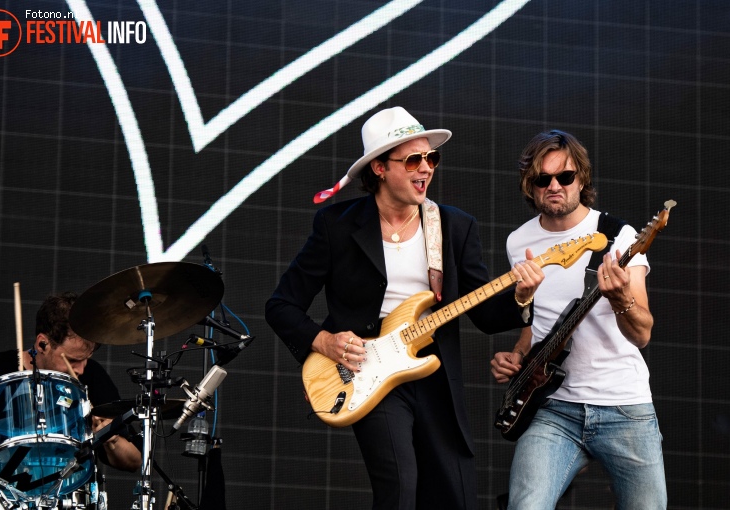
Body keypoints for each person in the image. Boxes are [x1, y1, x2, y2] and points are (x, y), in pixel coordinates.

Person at [266, 106, 544, 509]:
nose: (426, 168)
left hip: (433, 370)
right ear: (379, 167)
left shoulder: (453, 226)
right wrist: (323, 341)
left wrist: (521, 297)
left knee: (455, 494)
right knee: (399, 486)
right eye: (413, 159)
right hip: (369, 370)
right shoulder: (337, 225)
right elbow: (281, 305)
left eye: (431, 158)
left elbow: (483, 314)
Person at [490, 130, 667, 509]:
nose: (554, 186)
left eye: (565, 177)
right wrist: (519, 356)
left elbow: (643, 334)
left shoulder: (619, 236)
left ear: (581, 179)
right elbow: (535, 319)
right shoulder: (518, 242)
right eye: (543, 179)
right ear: (530, 185)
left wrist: (620, 299)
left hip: (625, 407)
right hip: (553, 408)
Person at [0, 292, 141, 473]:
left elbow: (134, 460)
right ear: (42, 344)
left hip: (68, 493)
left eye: (86, 359)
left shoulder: (92, 376)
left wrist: (111, 439)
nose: (80, 369)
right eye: (72, 361)